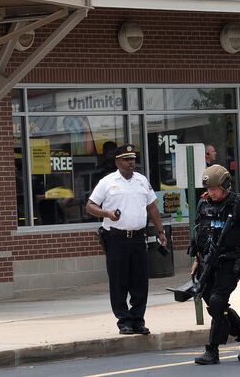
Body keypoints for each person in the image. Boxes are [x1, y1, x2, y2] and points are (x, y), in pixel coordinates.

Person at [85, 144, 167, 336]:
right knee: (119, 281)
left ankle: (138, 320)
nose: (131, 163)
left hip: (138, 237)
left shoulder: (142, 181)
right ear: (117, 162)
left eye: (133, 159)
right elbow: (90, 206)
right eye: (126, 159)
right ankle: (124, 321)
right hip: (116, 238)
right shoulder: (107, 182)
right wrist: (106, 213)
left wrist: (161, 231)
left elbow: (152, 208)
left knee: (140, 281)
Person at [192, 164, 240, 365]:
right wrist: (195, 260)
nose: (211, 193)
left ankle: (212, 351)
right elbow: (198, 234)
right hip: (207, 262)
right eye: (209, 189)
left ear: (224, 186)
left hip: (229, 262)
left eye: (215, 189)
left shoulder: (237, 206)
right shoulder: (203, 203)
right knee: (216, 304)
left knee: (217, 302)